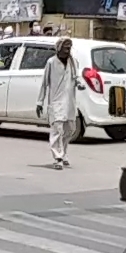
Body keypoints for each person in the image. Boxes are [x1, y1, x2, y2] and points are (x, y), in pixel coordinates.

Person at [34, 38, 80, 170]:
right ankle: (58, 157)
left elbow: (77, 78)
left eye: (69, 48)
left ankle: (63, 153)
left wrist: (80, 83)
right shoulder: (51, 62)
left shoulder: (73, 62)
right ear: (59, 48)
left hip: (70, 102)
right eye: (65, 48)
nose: (68, 50)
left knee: (70, 129)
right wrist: (40, 101)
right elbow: (44, 83)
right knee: (57, 130)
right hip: (56, 101)